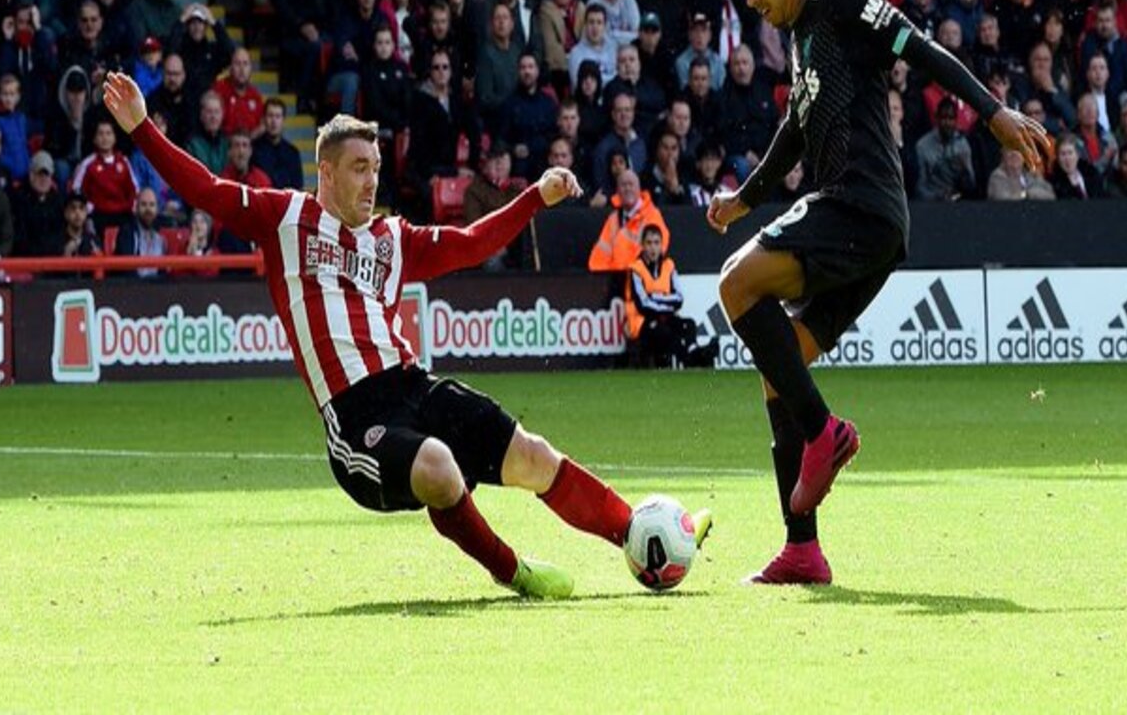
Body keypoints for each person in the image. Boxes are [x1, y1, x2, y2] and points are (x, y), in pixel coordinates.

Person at [101, 71, 709, 599]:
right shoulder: (283, 218)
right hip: (356, 415)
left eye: (377, 169)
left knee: (532, 455)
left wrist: (534, 198)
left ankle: (639, 532)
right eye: (359, 169)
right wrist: (140, 129)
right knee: (439, 468)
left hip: (416, 386)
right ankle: (515, 572)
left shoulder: (394, 239)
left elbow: (472, 244)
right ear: (327, 171)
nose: (372, 182)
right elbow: (203, 188)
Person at [707, 0, 1050, 586]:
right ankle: (802, 548)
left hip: (859, 204)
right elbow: (796, 135)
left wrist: (993, 112)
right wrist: (745, 198)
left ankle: (824, 432)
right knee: (781, 370)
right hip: (866, 226)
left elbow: (920, 49)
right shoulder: (804, 38)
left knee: (734, 284)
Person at [625, 225, 718, 369]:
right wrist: (666, 302)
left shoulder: (669, 266)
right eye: (649, 243)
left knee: (689, 324)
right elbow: (642, 304)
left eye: (656, 243)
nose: (653, 248)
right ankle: (695, 359)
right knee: (665, 332)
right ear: (642, 245)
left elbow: (679, 298)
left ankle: (694, 353)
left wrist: (654, 297)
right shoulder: (636, 269)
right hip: (643, 323)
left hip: (665, 317)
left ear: (662, 245)